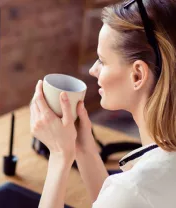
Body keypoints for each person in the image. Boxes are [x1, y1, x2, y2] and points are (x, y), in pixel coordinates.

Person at [30, 1, 176, 207]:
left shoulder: (134, 190)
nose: (93, 70)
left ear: (137, 75)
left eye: (102, 60)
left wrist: (59, 156)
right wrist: (84, 148)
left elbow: (128, 196)